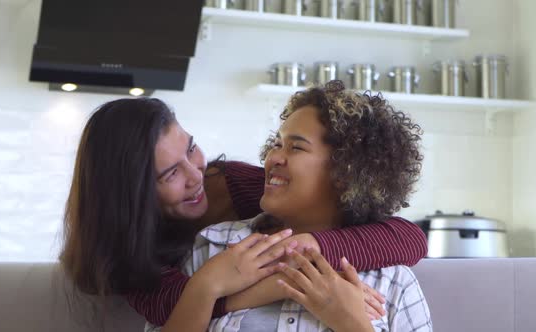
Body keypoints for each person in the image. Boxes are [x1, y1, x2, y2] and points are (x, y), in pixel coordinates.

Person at [59, 96, 427, 328]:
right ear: (131, 199)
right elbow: (176, 307)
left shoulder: (230, 184)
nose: (195, 176)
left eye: (191, 149)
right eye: (170, 173)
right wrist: (208, 283)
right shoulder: (143, 255)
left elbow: (408, 237)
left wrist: (302, 251)